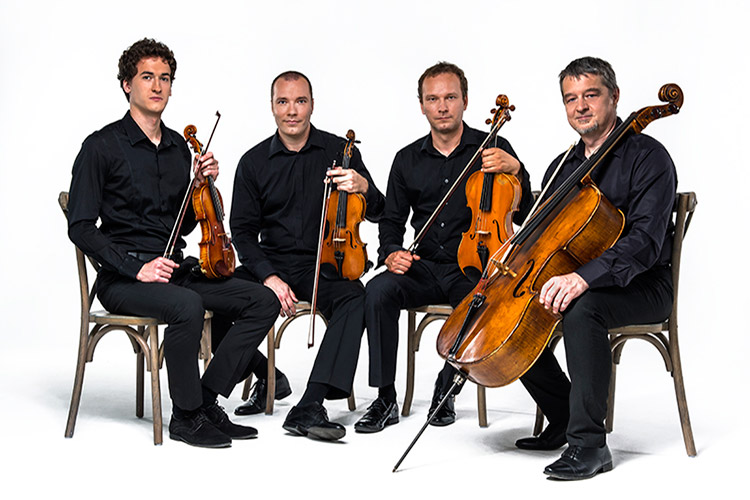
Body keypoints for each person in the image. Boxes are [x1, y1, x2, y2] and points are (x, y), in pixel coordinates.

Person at [67, 38, 279, 449]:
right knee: (188, 305)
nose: (157, 86)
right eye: (147, 77)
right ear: (127, 84)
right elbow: (80, 227)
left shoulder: (179, 148)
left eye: (164, 78)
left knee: (262, 300)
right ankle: (185, 417)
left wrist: (201, 187)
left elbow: (183, 225)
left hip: (174, 270)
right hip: (123, 280)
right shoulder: (100, 146)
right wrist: (136, 268)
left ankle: (204, 402)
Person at [513, 57, 677, 480]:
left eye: (591, 94)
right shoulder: (562, 166)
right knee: (514, 314)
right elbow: (545, 237)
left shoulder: (648, 157)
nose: (581, 106)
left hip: (643, 284)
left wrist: (583, 278)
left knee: (582, 309)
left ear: (614, 97)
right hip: (579, 281)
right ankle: (562, 415)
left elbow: (645, 243)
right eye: (571, 99)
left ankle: (589, 446)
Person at [355, 62, 533, 433]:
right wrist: (391, 251)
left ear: (465, 101)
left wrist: (517, 169)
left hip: (473, 267)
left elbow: (527, 211)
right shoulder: (406, 158)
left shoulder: (494, 148)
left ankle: (447, 384)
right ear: (421, 105)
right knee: (377, 291)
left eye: (450, 97)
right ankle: (385, 397)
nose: (442, 106)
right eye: (433, 99)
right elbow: (391, 219)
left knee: (483, 302)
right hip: (421, 265)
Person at [229, 70, 385, 441]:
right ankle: (267, 374)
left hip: (324, 264)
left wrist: (363, 185)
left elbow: (380, 210)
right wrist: (268, 276)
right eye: (283, 102)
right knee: (217, 294)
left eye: (300, 101)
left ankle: (310, 404)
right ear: (272, 107)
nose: (292, 111)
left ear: (312, 104)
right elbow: (243, 232)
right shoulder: (253, 162)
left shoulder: (341, 152)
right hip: (271, 264)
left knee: (356, 298)